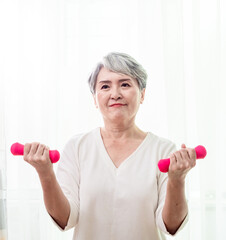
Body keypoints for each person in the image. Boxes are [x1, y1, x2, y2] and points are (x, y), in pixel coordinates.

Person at [23, 52, 196, 240]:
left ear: (142, 94)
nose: (115, 94)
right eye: (105, 86)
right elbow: (66, 219)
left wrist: (177, 180)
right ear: (95, 99)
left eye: (125, 84)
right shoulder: (77, 147)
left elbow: (171, 226)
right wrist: (45, 172)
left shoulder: (163, 150)